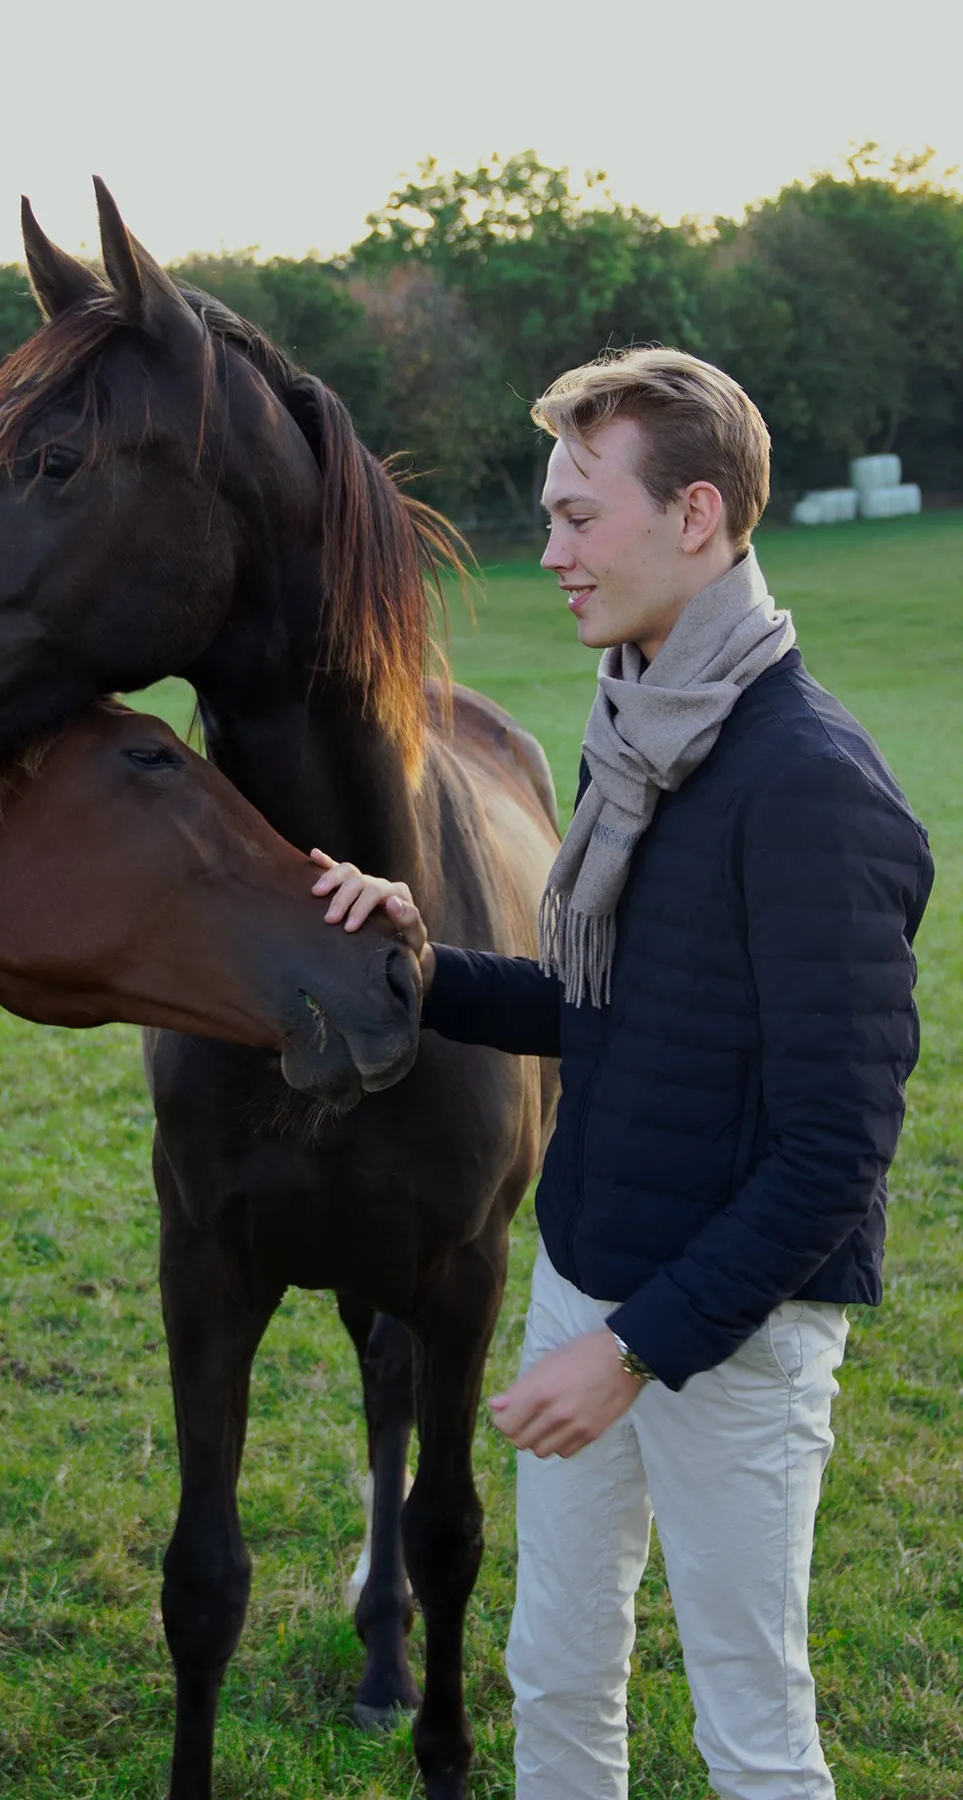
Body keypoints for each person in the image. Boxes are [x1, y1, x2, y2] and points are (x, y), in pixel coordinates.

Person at [309, 347, 933, 1800]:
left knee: (753, 1729)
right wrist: (426, 956)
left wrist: (636, 1347)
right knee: (556, 1679)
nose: (550, 555)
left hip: (735, 1340)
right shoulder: (642, 734)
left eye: (582, 517)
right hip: (587, 1283)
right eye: (551, 516)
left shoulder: (809, 787)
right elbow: (617, 1016)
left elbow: (836, 1152)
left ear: (698, 515)